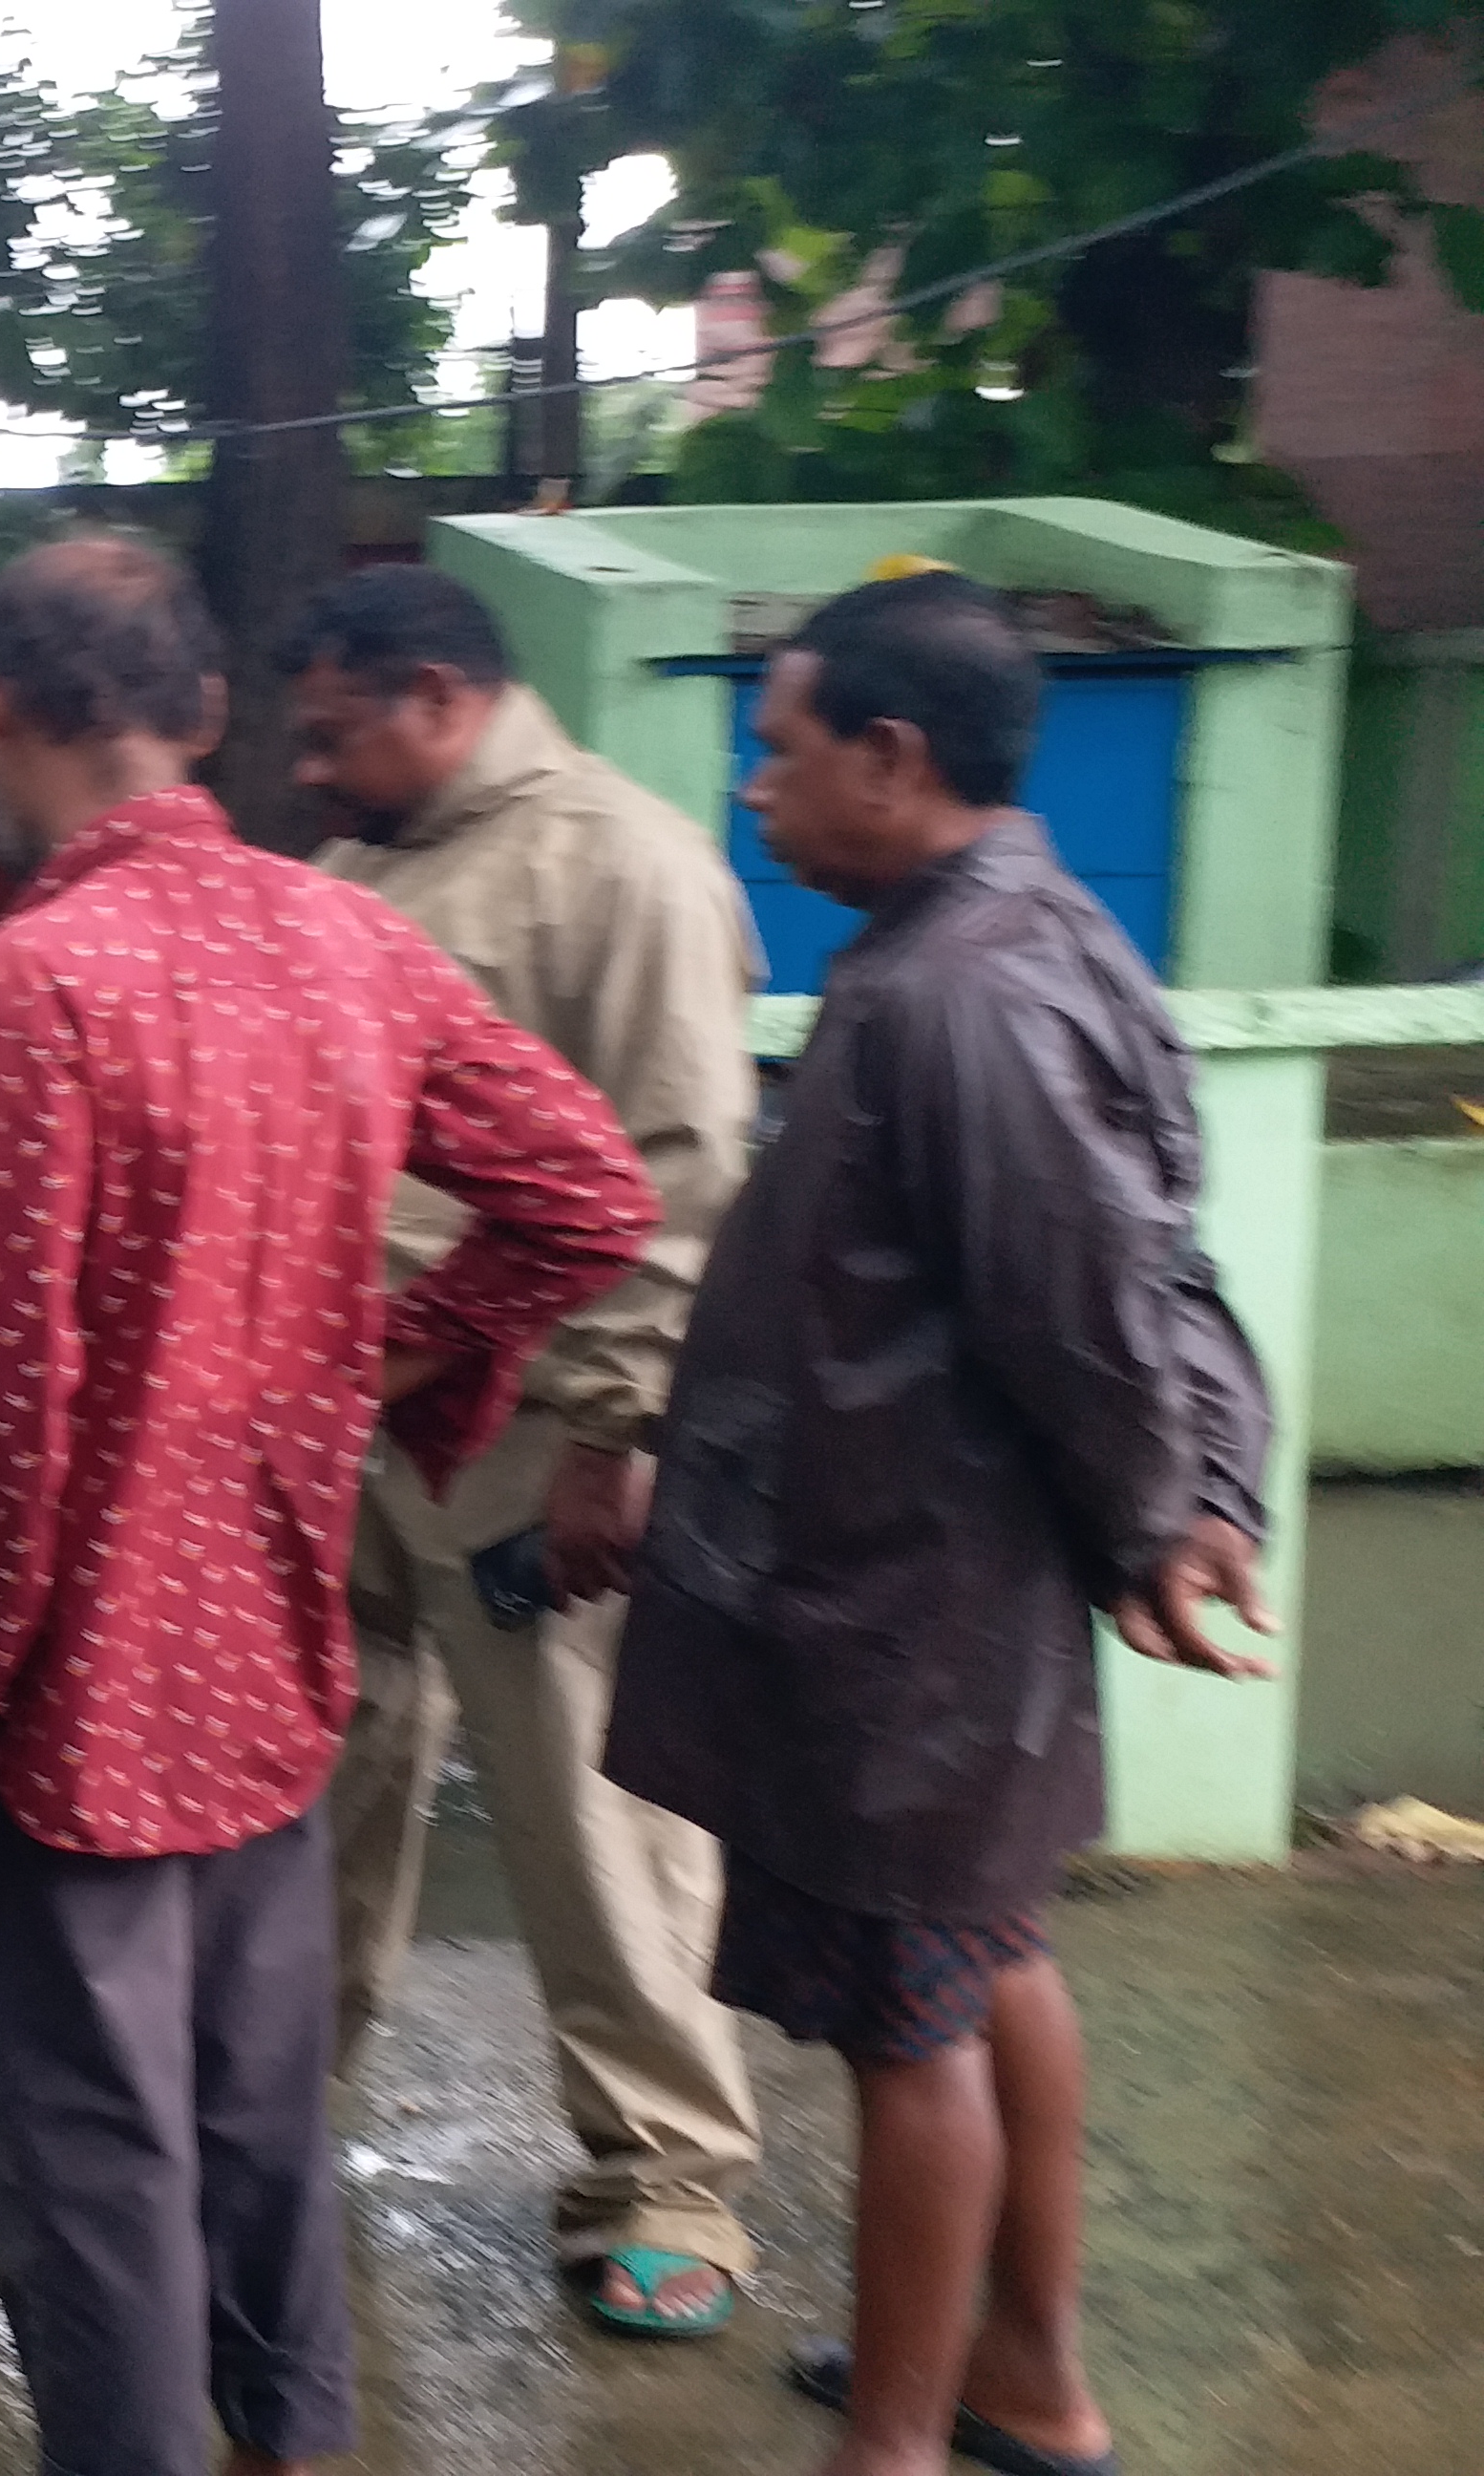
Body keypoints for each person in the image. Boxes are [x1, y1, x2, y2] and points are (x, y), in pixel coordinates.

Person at [0, 536, 661, 2476]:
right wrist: (415, 1347)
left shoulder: (36, 986)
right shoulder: (346, 938)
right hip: (282, 1648)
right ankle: (292, 2442)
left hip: (83, 1691)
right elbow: (590, 1188)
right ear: (205, 712)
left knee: (96, 2156)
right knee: (260, 2106)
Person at [604, 572, 1276, 2476]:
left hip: (909, 1612)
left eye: (780, 751)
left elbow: (1082, 1300)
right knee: (989, 1964)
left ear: (893, 762)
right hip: (936, 1597)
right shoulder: (1022, 936)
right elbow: (1158, 1265)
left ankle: (894, 2447)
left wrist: (1169, 1513)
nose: (757, 791)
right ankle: (1026, 2378)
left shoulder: (962, 992)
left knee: (915, 2026)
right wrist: (1190, 1489)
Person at [279, 564, 774, 2339]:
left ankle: (665, 2173)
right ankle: (266, 2097)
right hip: (355, 1407)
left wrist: (622, 1436)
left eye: (336, 733)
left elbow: (686, 1170)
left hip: (545, 1422)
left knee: (587, 1807)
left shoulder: (620, 862)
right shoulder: (356, 872)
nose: (313, 772)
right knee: (314, 1772)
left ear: (435, 691)